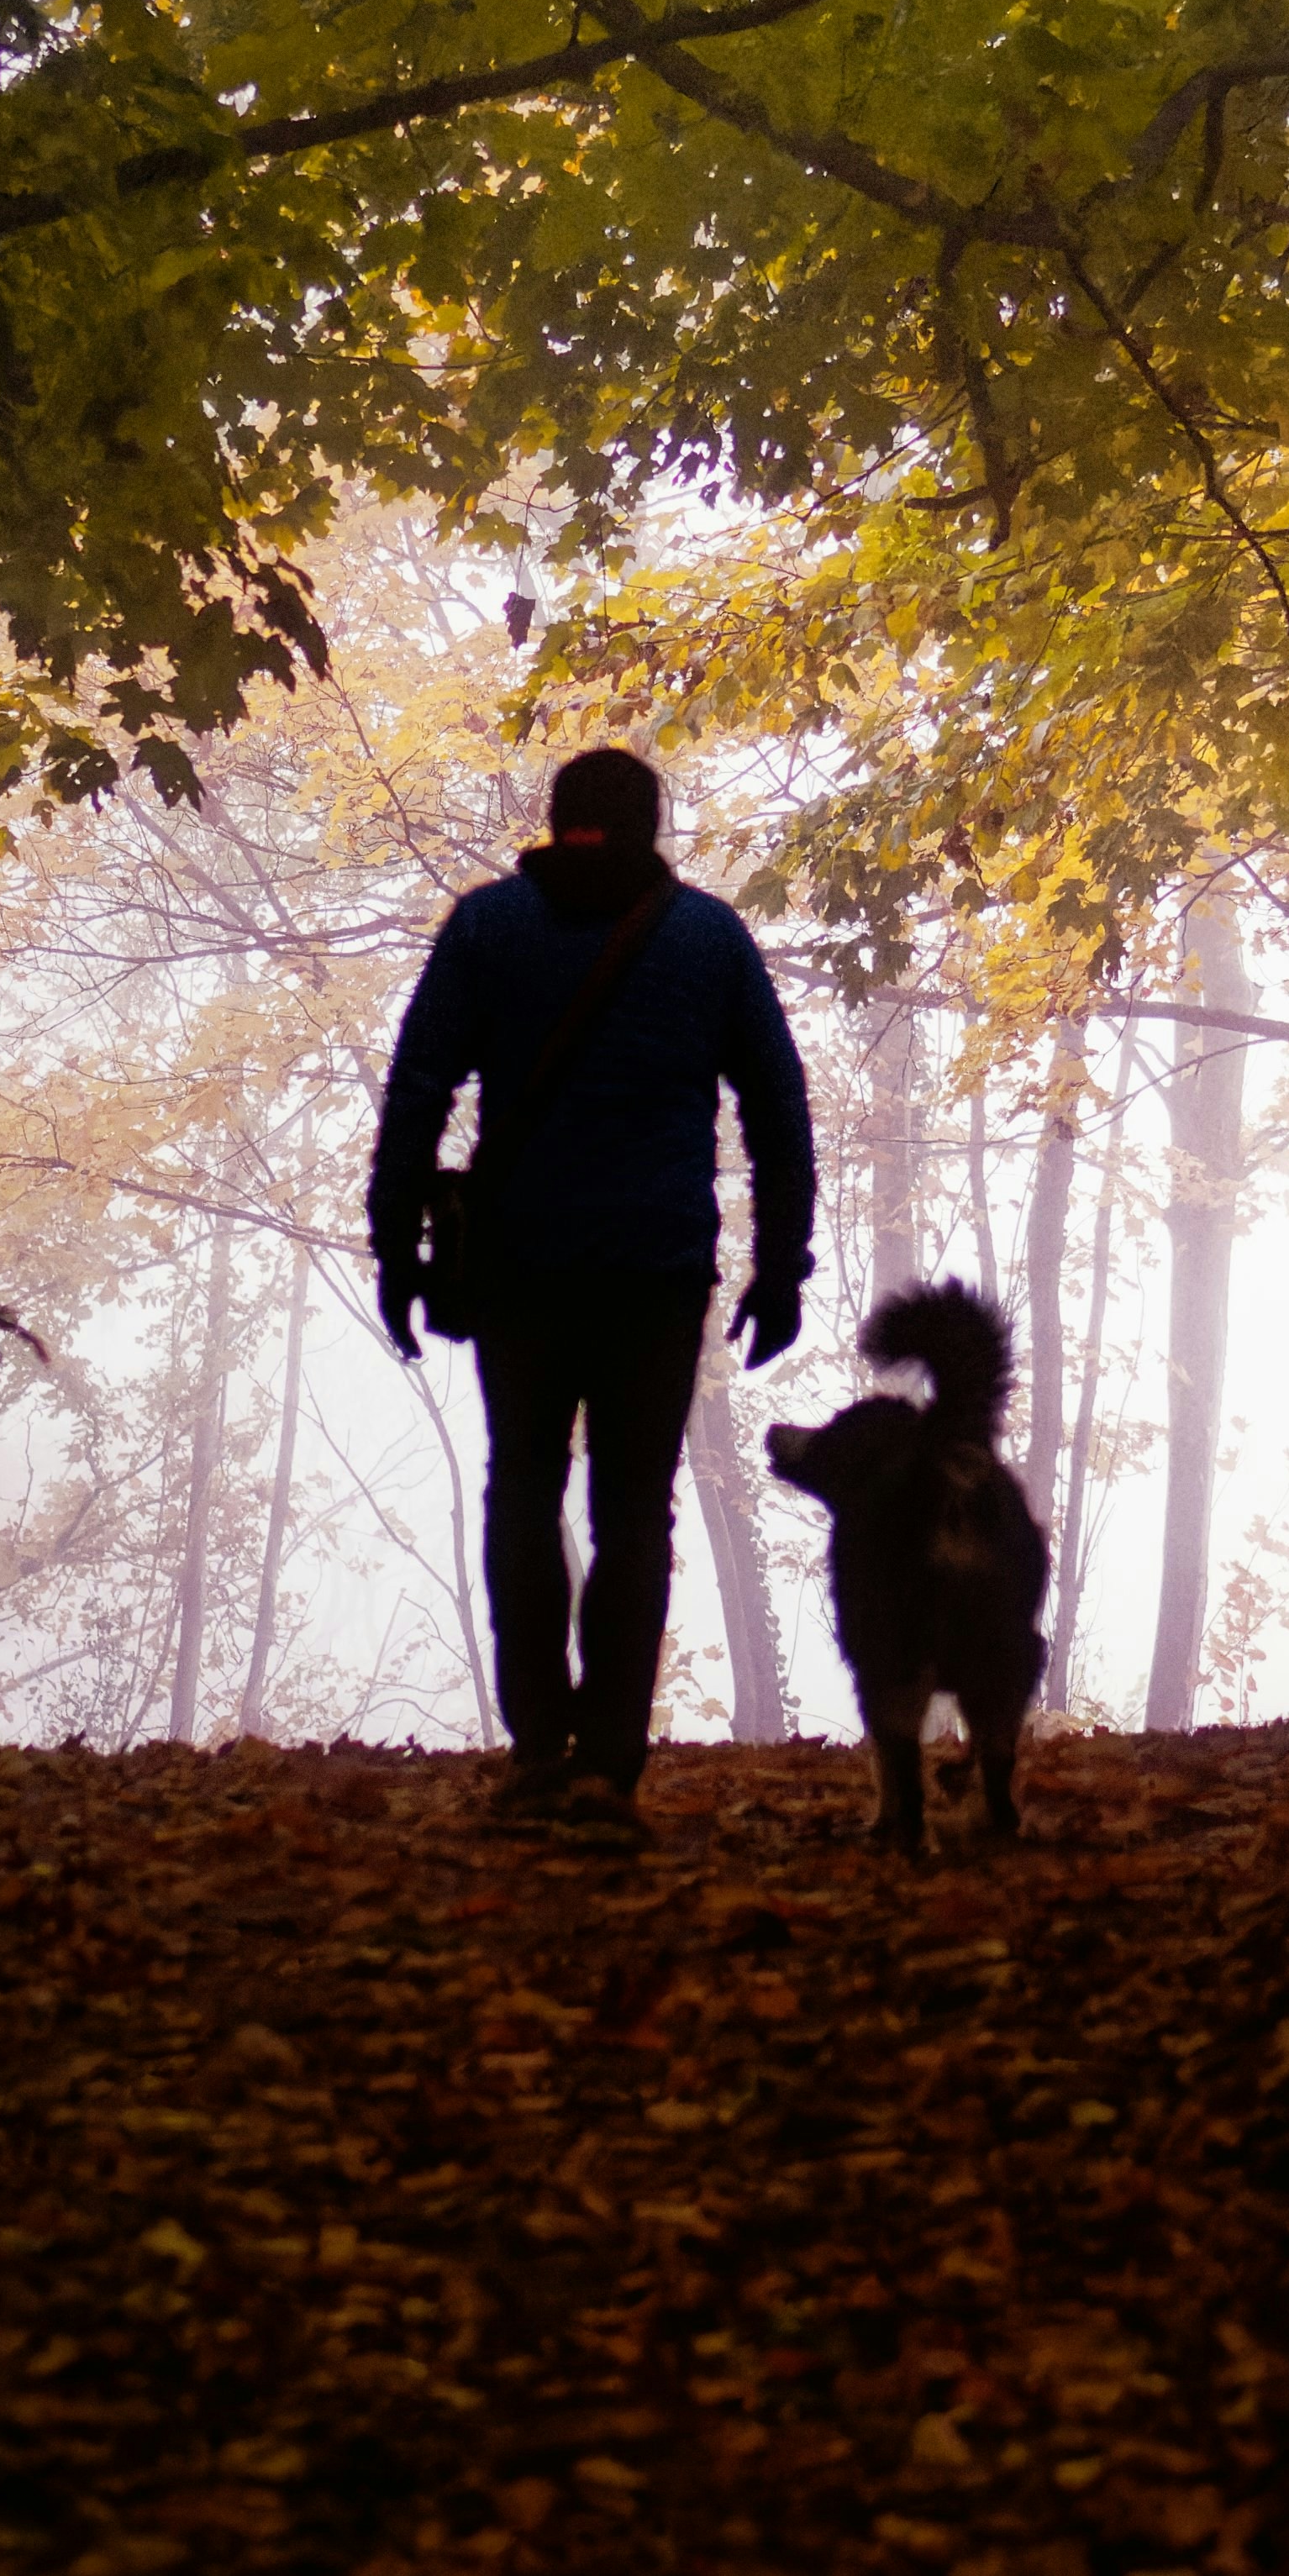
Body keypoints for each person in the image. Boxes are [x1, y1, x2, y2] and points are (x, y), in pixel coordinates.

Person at [368, 744, 813, 1825]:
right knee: (631, 1510)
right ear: (653, 823)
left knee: (520, 1486)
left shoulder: (488, 928)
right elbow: (776, 1106)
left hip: (520, 1265)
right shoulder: (707, 940)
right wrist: (780, 1266)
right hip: (656, 1272)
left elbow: (419, 1085)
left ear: (555, 817)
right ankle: (609, 1763)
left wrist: (398, 1249)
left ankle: (537, 1747)